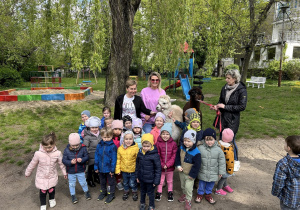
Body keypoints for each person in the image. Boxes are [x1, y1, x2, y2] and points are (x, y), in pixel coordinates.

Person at [211, 69, 247, 169]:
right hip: (223, 118)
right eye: (226, 78)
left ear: (235, 79)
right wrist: (217, 106)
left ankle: (234, 161)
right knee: (222, 139)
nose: (226, 80)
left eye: (228, 78)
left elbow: (242, 107)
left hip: (232, 120)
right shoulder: (224, 88)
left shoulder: (241, 90)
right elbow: (221, 101)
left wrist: (225, 107)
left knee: (230, 141)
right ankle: (222, 161)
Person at [25, 132, 67, 210]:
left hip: (52, 175)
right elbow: (32, 164)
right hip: (42, 176)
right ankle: (43, 204)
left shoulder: (58, 153)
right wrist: (28, 172)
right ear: (42, 145)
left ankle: (52, 199)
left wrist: (64, 172)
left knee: (51, 189)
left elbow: (61, 164)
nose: (47, 149)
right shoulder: (38, 154)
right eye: (45, 147)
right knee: (43, 191)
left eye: (49, 147)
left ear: (54, 144)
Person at [195, 128, 226, 205]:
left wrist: (221, 171)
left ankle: (208, 194)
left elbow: (222, 161)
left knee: (211, 183)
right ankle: (200, 194)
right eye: (207, 140)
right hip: (203, 170)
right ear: (204, 139)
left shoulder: (218, 150)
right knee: (201, 183)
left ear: (215, 139)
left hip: (214, 171)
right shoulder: (200, 148)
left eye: (211, 140)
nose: (209, 142)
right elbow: (196, 158)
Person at [272, 135, 300, 210]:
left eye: (285, 143)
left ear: (288, 148)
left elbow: (279, 181)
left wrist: (275, 192)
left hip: (289, 199)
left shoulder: (283, 163)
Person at [175, 130, 201, 210]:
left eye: (188, 141)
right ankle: (184, 194)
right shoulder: (181, 148)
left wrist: (192, 175)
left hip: (190, 174)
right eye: (185, 140)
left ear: (193, 141)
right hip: (182, 172)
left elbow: (197, 165)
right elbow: (177, 158)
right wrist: (178, 165)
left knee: (188, 188)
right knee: (183, 186)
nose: (186, 143)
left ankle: (188, 200)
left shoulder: (196, 152)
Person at [62, 133, 91, 204]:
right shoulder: (66, 150)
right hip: (71, 171)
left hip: (80, 170)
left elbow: (86, 157)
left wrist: (82, 160)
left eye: (77, 145)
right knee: (72, 184)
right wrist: (70, 162)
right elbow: (64, 160)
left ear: (80, 143)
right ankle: (73, 195)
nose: (75, 147)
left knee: (83, 182)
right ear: (70, 143)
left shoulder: (83, 148)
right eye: (73, 145)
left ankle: (86, 192)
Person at [136, 133, 161, 210]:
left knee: (150, 193)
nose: (146, 148)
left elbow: (158, 169)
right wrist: (137, 176)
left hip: (151, 180)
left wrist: (156, 181)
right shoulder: (140, 153)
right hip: (142, 178)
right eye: (144, 146)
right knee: (142, 192)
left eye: (148, 146)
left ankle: (151, 205)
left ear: (152, 145)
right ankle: (142, 203)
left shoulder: (155, 155)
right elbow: (137, 165)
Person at [155, 123, 177, 202]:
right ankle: (159, 192)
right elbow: (157, 155)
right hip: (160, 167)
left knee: (170, 181)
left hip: (170, 167)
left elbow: (174, 155)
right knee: (160, 181)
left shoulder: (173, 144)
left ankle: (170, 192)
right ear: (160, 134)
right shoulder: (158, 143)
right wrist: (161, 164)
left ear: (170, 135)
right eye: (163, 134)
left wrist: (167, 164)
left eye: (167, 134)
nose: (165, 136)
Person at [94, 128, 117, 204]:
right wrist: (96, 167)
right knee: (102, 181)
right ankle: (103, 192)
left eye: (108, 137)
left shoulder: (113, 146)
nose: (106, 139)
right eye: (104, 137)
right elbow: (96, 156)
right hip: (100, 168)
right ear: (101, 136)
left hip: (109, 169)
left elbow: (114, 159)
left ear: (111, 136)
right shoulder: (99, 145)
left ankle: (111, 194)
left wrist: (112, 170)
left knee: (111, 182)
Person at [115, 131, 139, 201]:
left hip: (133, 170)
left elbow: (138, 161)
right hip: (124, 170)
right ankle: (126, 191)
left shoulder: (136, 148)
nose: (128, 141)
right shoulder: (120, 149)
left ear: (133, 139)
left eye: (130, 139)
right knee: (125, 182)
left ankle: (134, 191)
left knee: (133, 182)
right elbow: (118, 160)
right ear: (123, 140)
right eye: (126, 139)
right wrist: (118, 170)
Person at [83, 116, 102, 187]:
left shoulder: (100, 135)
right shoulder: (87, 137)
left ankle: (96, 177)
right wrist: (86, 156)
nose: (95, 129)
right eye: (93, 128)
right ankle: (89, 179)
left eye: (96, 127)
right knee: (90, 169)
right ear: (89, 128)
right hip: (91, 156)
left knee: (97, 168)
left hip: (99, 155)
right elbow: (85, 147)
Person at [215, 128, 235, 195]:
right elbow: (230, 161)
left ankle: (225, 185)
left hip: (219, 165)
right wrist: (230, 170)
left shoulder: (219, 144)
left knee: (224, 176)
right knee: (224, 177)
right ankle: (218, 189)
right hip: (225, 167)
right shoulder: (228, 150)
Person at [111, 120, 125, 190]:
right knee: (111, 170)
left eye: (119, 129)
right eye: (115, 129)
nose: (117, 131)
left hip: (120, 157)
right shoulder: (110, 137)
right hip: (111, 157)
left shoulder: (122, 138)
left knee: (119, 171)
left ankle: (118, 182)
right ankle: (110, 183)